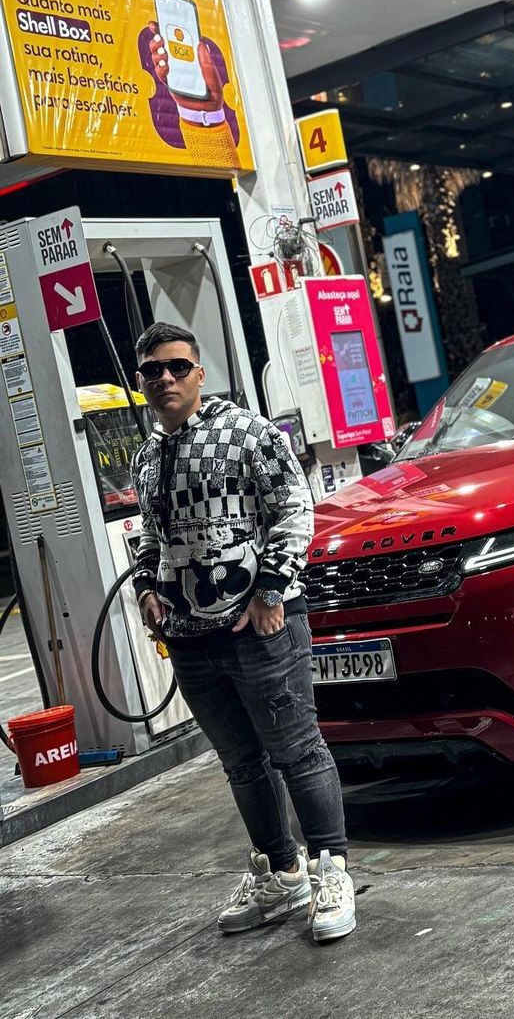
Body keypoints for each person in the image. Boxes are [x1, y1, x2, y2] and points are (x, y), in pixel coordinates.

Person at [129, 321, 355, 943]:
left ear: (200, 372)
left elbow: (295, 506)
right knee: (240, 762)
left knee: (297, 750)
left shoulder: (248, 434)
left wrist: (271, 590)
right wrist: (148, 588)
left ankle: (329, 869)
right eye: (153, 370)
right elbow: (149, 534)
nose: (165, 379)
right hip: (190, 637)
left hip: (262, 627)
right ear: (141, 379)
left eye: (177, 366)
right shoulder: (148, 455)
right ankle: (281, 876)